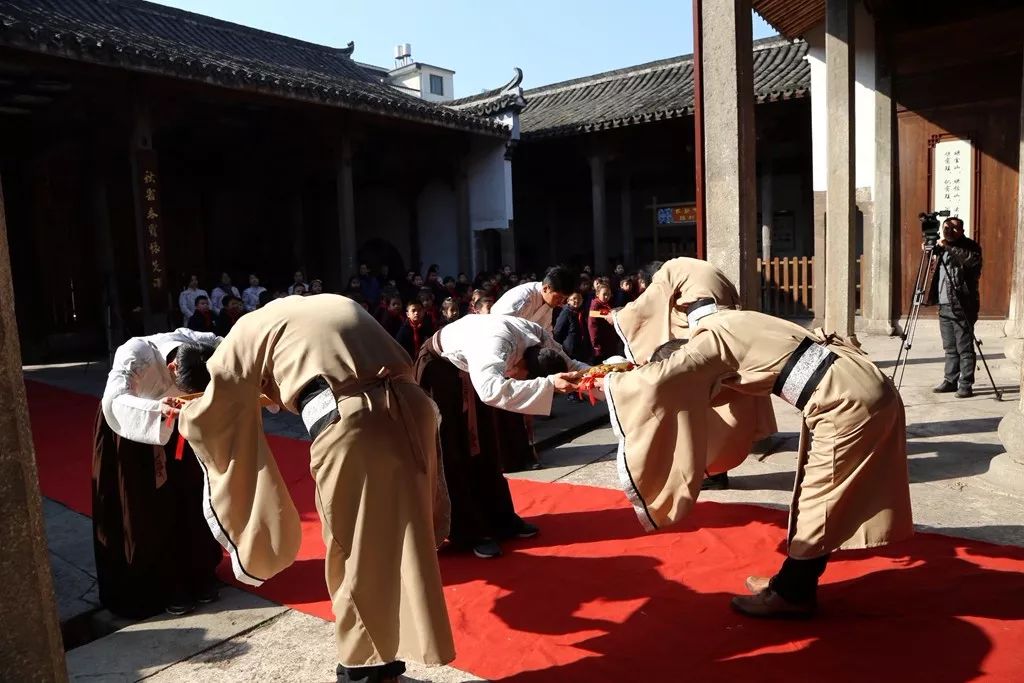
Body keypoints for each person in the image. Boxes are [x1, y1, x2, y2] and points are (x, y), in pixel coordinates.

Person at [178, 294, 454, 683]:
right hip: (414, 407)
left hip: (356, 423)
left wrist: (189, 411)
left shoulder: (242, 336)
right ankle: (388, 656)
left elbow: (219, 407)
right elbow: (294, 384)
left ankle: (360, 669)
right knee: (401, 539)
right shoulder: (306, 312)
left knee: (351, 548)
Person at [588, 307, 913, 618]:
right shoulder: (724, 325)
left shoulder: (704, 347)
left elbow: (659, 381)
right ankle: (790, 580)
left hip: (845, 400)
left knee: (821, 500)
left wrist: (602, 384)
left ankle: (792, 595)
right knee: (823, 495)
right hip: (856, 383)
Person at [414, 314, 586, 558]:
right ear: (523, 369)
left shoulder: (539, 338)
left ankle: (501, 520)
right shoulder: (495, 346)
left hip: (475, 372)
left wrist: (608, 376)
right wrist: (548, 386)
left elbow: (572, 368)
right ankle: (468, 531)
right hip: (442, 369)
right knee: (453, 448)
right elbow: (491, 391)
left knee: (485, 444)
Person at [610, 257, 777, 490]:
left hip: (706, 334)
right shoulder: (697, 268)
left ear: (646, 278)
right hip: (729, 334)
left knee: (704, 405)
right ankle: (717, 470)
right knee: (729, 400)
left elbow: (642, 311)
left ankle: (710, 471)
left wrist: (617, 317)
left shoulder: (667, 273)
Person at [94, 330, 222, 618]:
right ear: (173, 368)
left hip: (183, 423)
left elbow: (240, 348)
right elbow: (114, 400)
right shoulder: (135, 353)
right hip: (134, 429)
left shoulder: (201, 341)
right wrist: (157, 409)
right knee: (151, 505)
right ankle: (165, 584)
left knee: (193, 494)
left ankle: (199, 572)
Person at [929, 217, 983, 398]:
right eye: (946, 228)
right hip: (944, 304)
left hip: (963, 304)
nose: (948, 231)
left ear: (962, 230)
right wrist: (930, 250)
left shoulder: (970, 247)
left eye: (954, 228)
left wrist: (948, 247)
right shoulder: (941, 248)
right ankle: (950, 380)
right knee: (950, 347)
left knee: (964, 348)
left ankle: (966, 384)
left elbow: (971, 262)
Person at [490, 265, 576, 334]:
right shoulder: (524, 298)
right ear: (546, 288)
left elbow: (546, 333)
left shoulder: (548, 302)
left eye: (564, 299)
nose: (561, 302)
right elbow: (502, 327)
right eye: (558, 297)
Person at [553, 291, 592, 364]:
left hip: (582, 349)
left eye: (579, 299)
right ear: (568, 300)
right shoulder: (566, 312)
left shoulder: (582, 312)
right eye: (574, 299)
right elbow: (557, 331)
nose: (576, 301)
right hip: (570, 350)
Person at [588, 284, 621, 362]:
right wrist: (595, 344)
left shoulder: (604, 304)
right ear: (597, 294)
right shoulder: (595, 305)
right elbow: (593, 322)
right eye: (604, 294)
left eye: (608, 294)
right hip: (601, 344)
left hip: (608, 341)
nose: (607, 297)